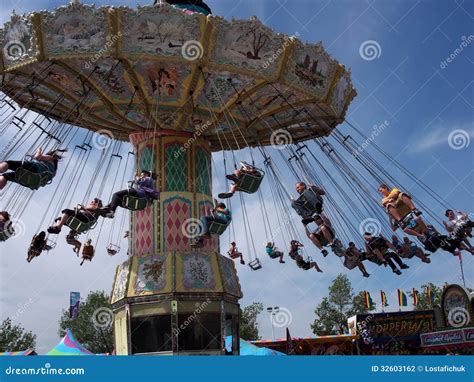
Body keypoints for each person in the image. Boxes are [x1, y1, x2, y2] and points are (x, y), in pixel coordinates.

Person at [0, 148, 65, 190]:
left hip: (34, 169)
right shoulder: (54, 171)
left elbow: (37, 157)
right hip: (33, 182)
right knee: (6, 176)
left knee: (9, 163)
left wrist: (39, 150)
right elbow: (44, 184)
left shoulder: (50, 158)